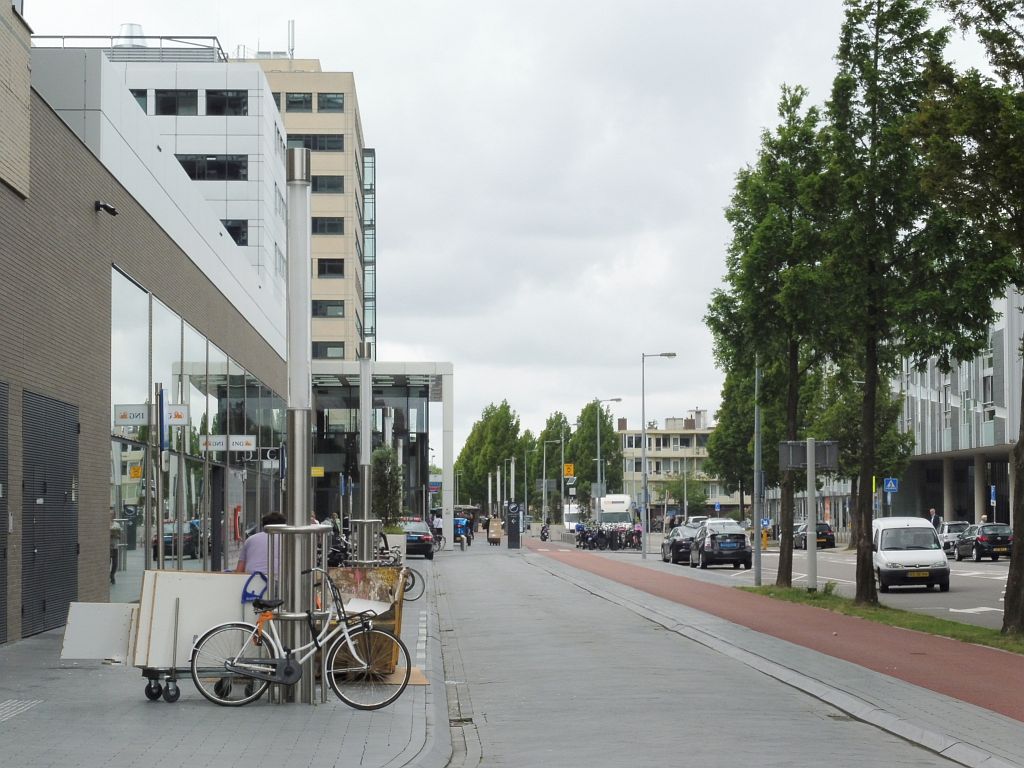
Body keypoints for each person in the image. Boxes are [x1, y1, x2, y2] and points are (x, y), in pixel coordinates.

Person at [109, 509, 122, 585]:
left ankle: (112, 575)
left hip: (114, 546)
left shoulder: (117, 525)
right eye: (109, 514)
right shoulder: (105, 524)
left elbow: (120, 536)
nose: (111, 515)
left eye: (112, 514)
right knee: (107, 563)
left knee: (115, 563)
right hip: (107, 547)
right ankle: (108, 576)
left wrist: (116, 535)